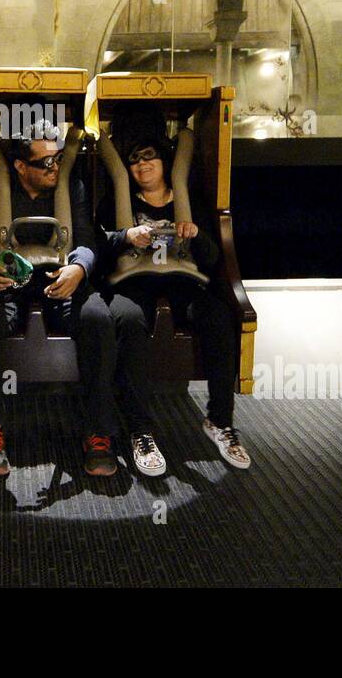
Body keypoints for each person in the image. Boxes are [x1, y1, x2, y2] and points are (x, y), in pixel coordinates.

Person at [0, 119, 122, 478]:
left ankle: (98, 432)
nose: (54, 168)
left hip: (59, 277)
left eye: (56, 160)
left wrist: (80, 268)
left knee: (97, 318)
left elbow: (86, 238)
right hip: (13, 277)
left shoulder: (71, 186)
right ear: (20, 167)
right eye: (44, 163)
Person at [103, 135, 251, 473]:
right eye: (134, 159)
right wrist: (126, 237)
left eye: (149, 156)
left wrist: (196, 234)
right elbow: (102, 249)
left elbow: (213, 259)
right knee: (127, 319)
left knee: (217, 316)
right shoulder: (118, 200)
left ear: (165, 162)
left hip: (183, 281)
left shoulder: (187, 199)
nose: (142, 164)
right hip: (136, 282)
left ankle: (219, 420)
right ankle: (141, 429)